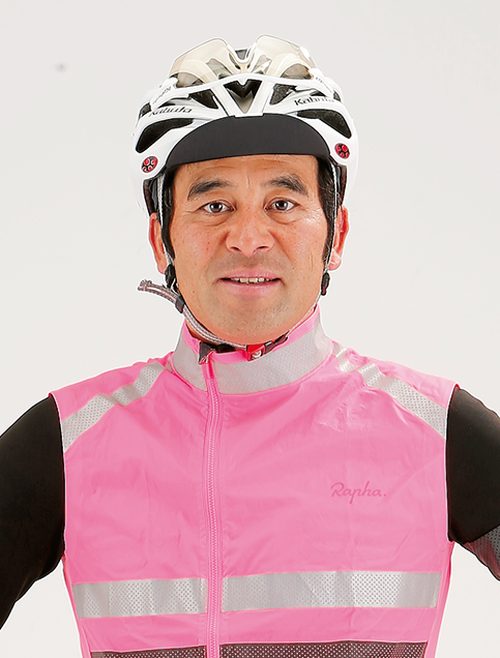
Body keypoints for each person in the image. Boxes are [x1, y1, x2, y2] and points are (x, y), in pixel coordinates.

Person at [0, 34, 498, 658]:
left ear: (336, 234)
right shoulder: (67, 441)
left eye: (282, 203)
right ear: (160, 241)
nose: (248, 237)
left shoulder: (438, 430)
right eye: (214, 205)